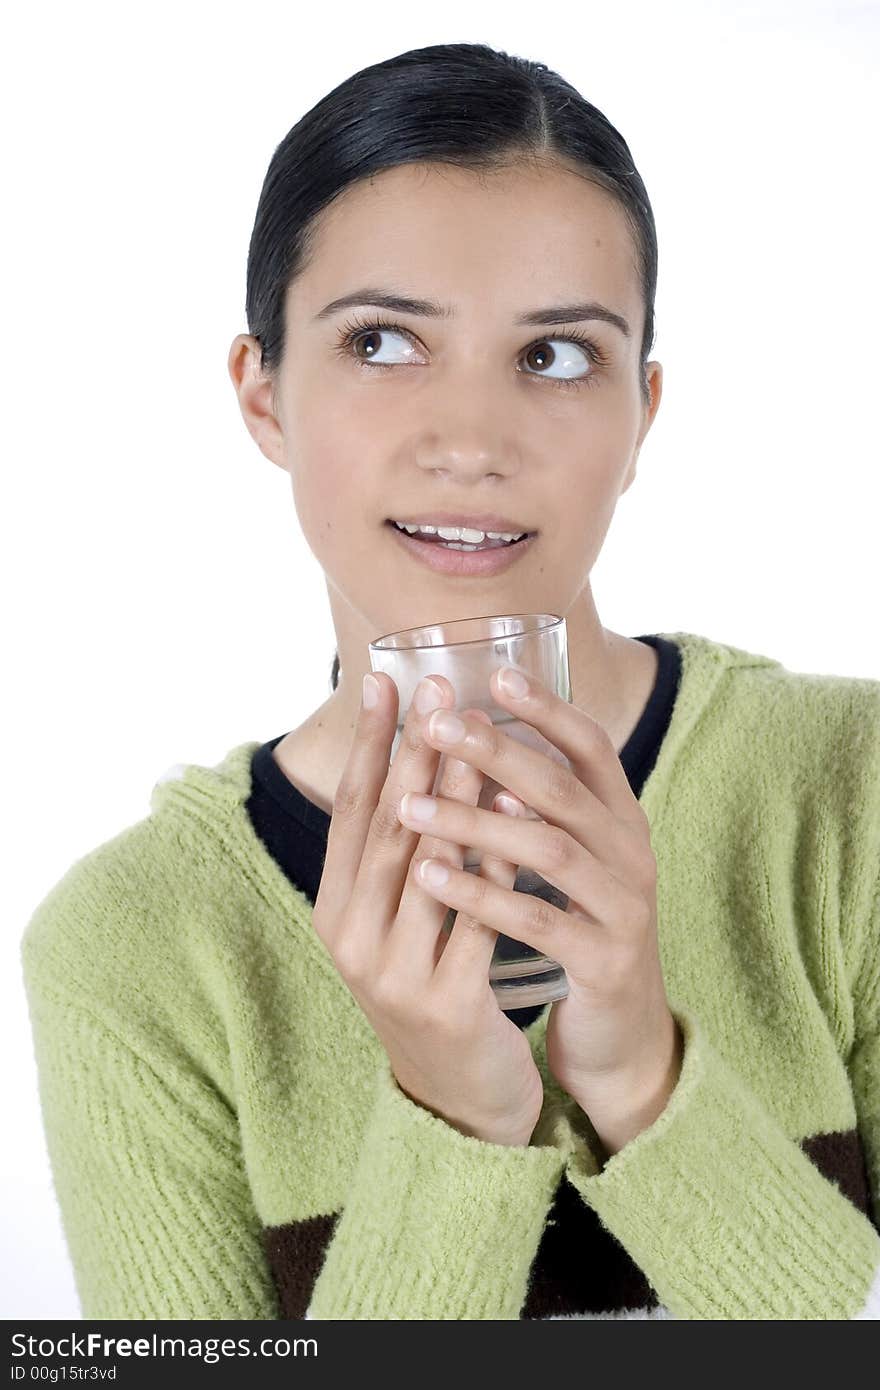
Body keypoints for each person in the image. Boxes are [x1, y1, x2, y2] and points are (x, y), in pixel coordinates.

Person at [21, 40, 880, 1321]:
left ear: (642, 413)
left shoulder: (847, 790)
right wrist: (453, 1122)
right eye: (381, 341)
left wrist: (646, 1075)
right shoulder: (133, 946)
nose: (472, 442)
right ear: (263, 396)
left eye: (554, 357)